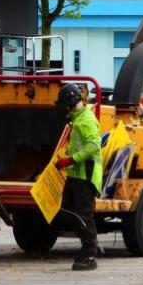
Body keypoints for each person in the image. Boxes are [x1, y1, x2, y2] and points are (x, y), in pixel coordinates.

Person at [55, 83, 103, 271]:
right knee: (68, 211)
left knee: (83, 215)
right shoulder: (77, 119)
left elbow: (93, 147)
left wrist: (70, 160)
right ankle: (90, 244)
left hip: (85, 175)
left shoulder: (87, 120)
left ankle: (90, 254)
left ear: (70, 102)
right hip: (75, 175)